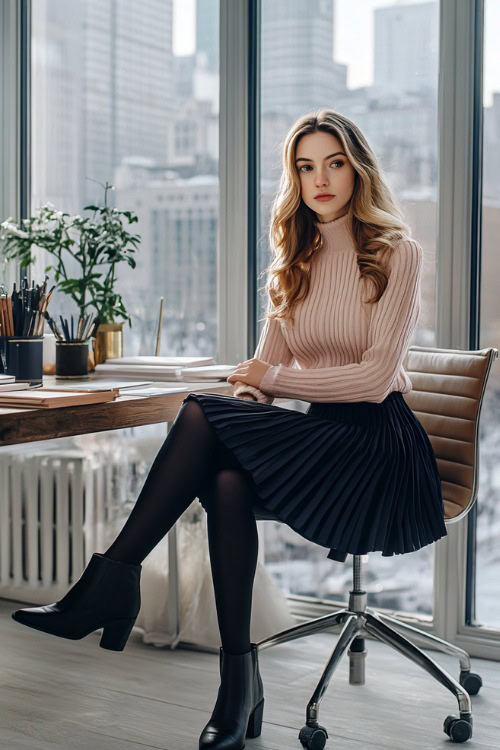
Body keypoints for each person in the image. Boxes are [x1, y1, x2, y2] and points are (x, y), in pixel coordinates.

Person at [11, 109, 447, 750]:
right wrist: (249, 386)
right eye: (305, 167)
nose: (320, 179)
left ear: (358, 170)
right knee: (223, 479)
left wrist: (267, 382)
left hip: (377, 449)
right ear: (293, 178)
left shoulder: (394, 253)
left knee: (198, 412)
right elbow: (263, 365)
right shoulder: (294, 259)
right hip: (319, 438)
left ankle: (112, 583)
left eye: (334, 164)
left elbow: (374, 380)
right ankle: (236, 685)